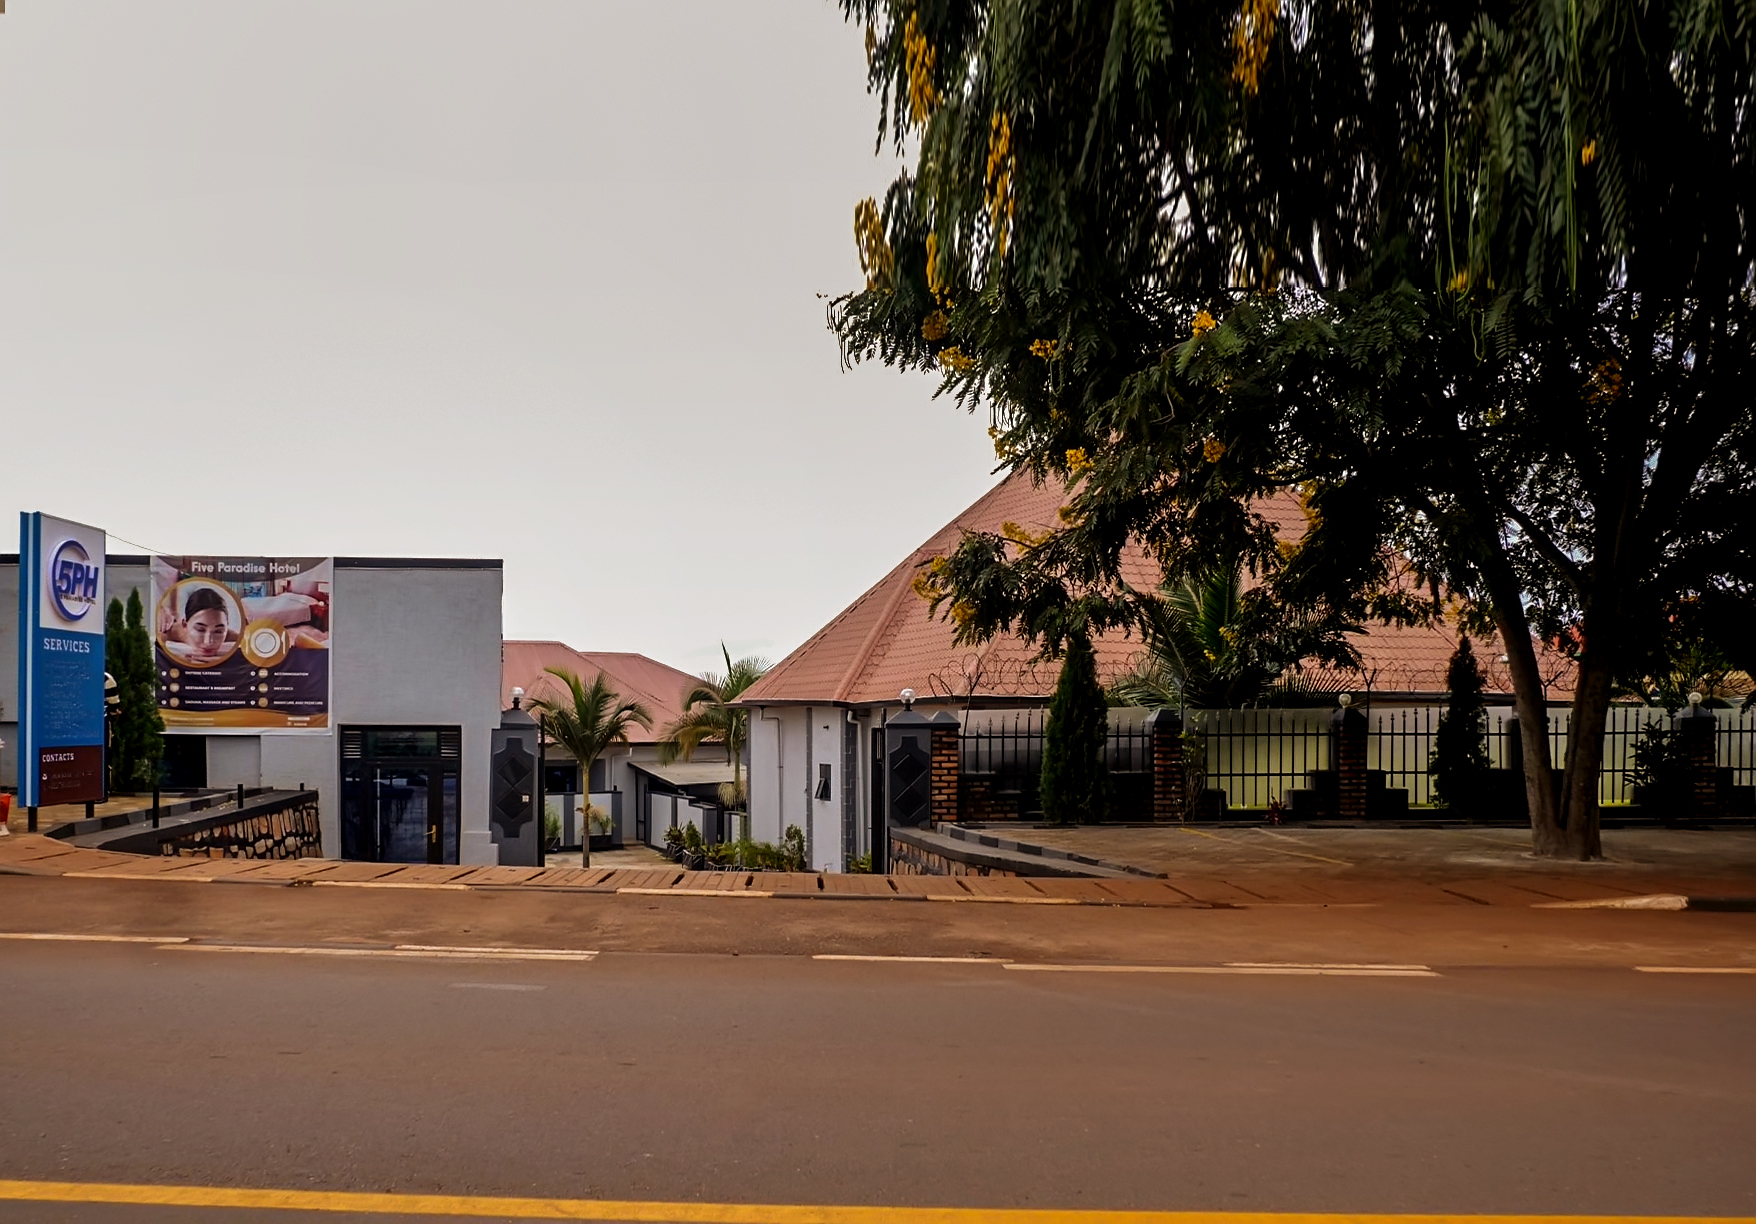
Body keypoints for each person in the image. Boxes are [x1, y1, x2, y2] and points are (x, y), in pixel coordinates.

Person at [162, 586, 236, 665]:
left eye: (218, 631)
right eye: (200, 629)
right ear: (185, 625)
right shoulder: (174, 631)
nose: (208, 642)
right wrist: (176, 659)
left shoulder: (229, 635)